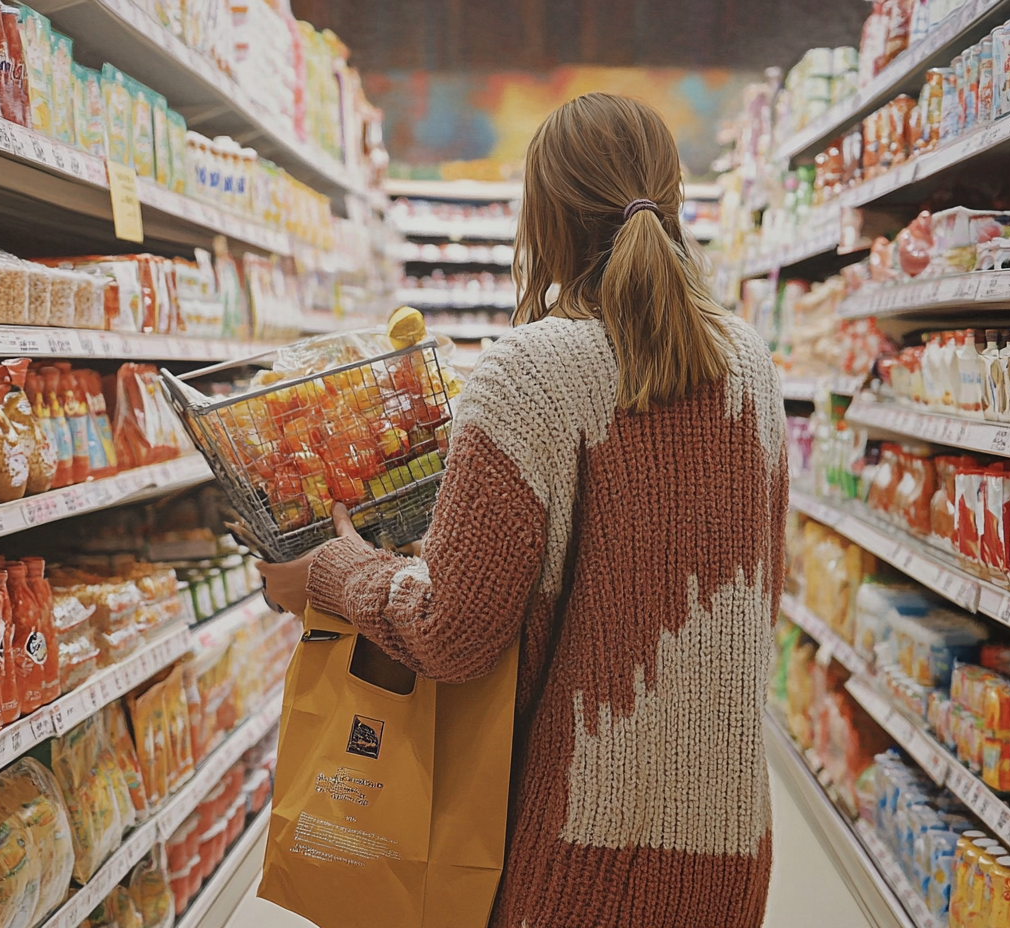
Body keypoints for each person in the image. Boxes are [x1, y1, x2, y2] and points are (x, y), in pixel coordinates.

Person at [259, 91, 788, 928]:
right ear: (673, 198)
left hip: (579, 860)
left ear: (540, 218)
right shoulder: (753, 365)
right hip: (731, 854)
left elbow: (453, 633)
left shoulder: (529, 373)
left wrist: (334, 570)